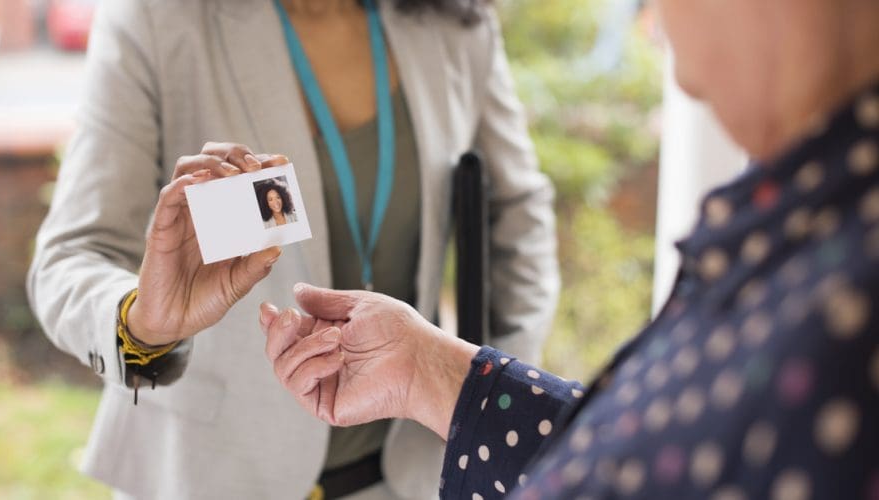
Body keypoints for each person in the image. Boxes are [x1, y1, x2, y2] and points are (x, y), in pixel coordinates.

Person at [261, 0, 879, 498]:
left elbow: (521, 212)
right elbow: (648, 455)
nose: (662, 36)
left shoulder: (844, 290)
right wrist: (430, 371)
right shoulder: (803, 229)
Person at [26, 0, 560, 497]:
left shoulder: (455, 22)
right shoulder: (159, 18)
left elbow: (519, 216)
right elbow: (73, 254)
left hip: (410, 475)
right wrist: (144, 324)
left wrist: (491, 402)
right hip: (209, 474)